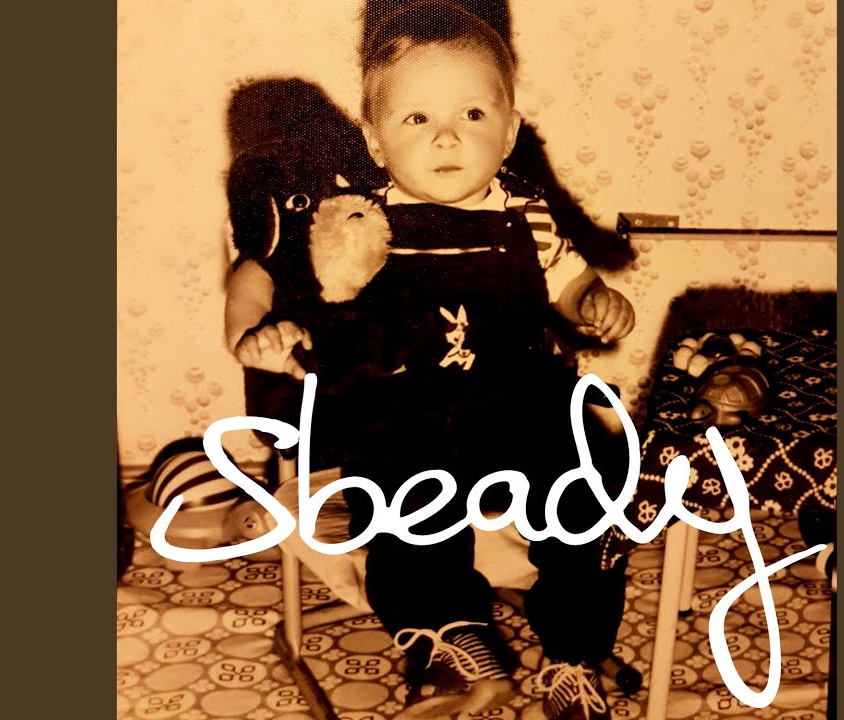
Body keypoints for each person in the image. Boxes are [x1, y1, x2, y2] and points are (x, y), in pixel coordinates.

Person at [226, 3, 634, 718]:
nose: (447, 136)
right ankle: (449, 638)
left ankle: (572, 653)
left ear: (509, 132)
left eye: (473, 114)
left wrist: (593, 301)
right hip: (406, 409)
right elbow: (324, 311)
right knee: (403, 495)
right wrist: (281, 337)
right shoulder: (357, 222)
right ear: (376, 142)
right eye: (416, 119)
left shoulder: (529, 216)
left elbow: (569, 283)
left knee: (592, 489)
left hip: (519, 404)